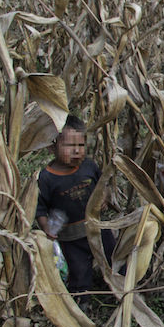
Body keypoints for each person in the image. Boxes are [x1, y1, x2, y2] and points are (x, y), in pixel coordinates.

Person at [36, 115, 115, 311]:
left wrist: (104, 197)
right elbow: (40, 208)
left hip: (97, 227)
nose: (77, 151)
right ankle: (82, 299)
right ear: (51, 147)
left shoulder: (89, 166)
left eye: (81, 145)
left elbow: (102, 185)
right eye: (70, 146)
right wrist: (47, 228)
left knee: (113, 255)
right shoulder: (46, 178)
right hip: (71, 238)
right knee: (78, 268)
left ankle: (118, 287)